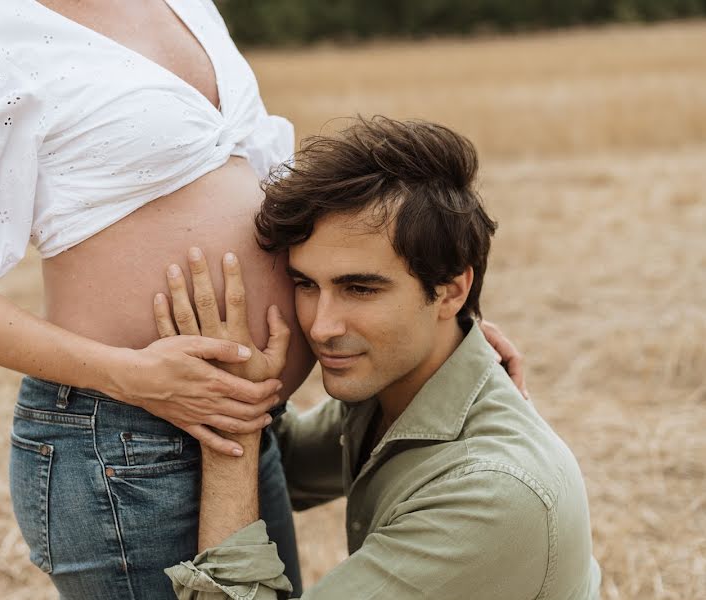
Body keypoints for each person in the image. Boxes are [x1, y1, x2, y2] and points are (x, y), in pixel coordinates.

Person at [0, 0, 524, 596]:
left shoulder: (180, 2)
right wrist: (137, 377)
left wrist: (431, 332)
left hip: (242, 424)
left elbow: (288, 199)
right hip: (125, 438)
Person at [156, 118, 601, 599]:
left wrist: (232, 428)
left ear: (451, 291)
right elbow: (289, 466)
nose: (321, 327)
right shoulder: (403, 387)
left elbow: (253, 459)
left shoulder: (493, 495)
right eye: (306, 285)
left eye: (360, 289)